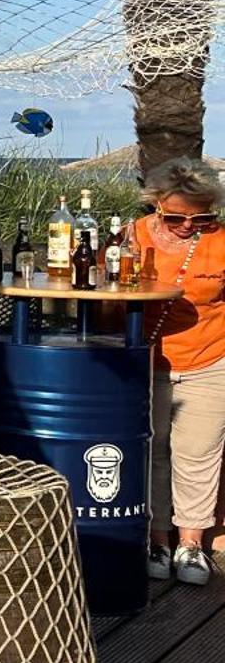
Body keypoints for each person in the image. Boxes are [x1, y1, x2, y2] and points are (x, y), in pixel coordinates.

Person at [135, 159, 225, 585]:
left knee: (199, 454)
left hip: (210, 358)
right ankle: (157, 540)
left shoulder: (221, 240)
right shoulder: (130, 239)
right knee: (152, 451)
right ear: (155, 206)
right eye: (176, 218)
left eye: (203, 217)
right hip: (147, 361)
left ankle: (191, 545)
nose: (190, 226)